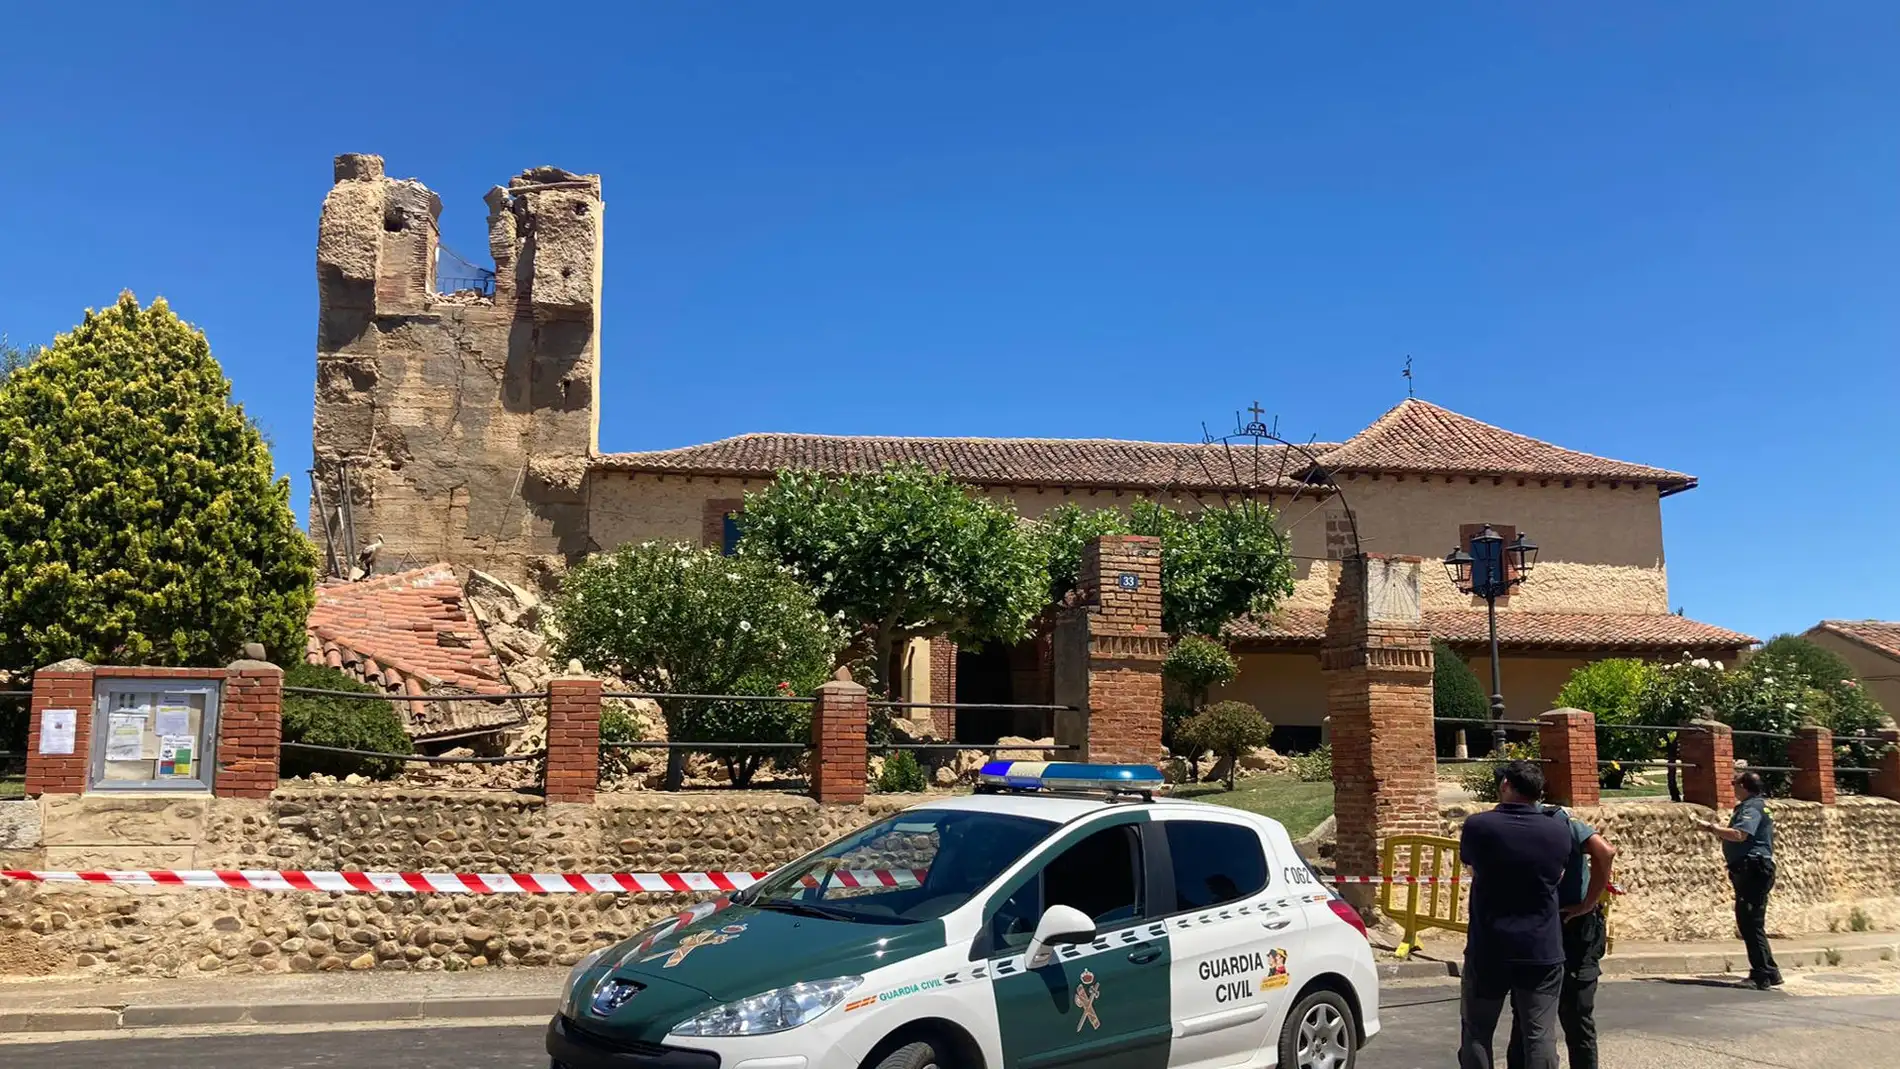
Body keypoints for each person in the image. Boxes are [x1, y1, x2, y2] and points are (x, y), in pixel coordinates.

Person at [1457, 760, 1575, 1069]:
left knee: (1477, 1033)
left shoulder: (1479, 825)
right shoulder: (1558, 829)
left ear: (1506, 785)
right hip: (1541, 947)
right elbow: (1559, 874)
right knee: (1540, 1036)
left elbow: (1470, 866)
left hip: (1489, 945)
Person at [1506, 805, 1617, 1069]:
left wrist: (1588, 904)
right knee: (1575, 1016)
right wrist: (1589, 903)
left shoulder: (1527, 821)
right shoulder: (1559, 819)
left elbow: (1605, 852)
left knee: (1529, 1015)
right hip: (1569, 924)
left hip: (1555, 926)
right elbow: (1606, 851)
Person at [1697, 770, 1782, 989]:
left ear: (1744, 786)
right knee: (1753, 922)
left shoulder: (1752, 808)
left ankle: (1760, 975)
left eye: (1735, 784)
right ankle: (1769, 970)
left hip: (1752, 868)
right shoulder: (1757, 805)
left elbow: (1740, 834)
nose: (1733, 788)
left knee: (1749, 922)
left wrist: (1712, 828)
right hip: (1755, 867)